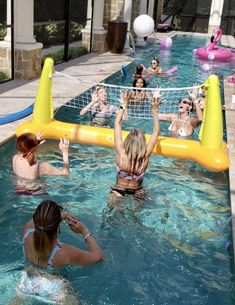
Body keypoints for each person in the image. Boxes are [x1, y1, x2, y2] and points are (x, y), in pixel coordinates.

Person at [12, 200, 104, 305]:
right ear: (57, 226)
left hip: (27, 280)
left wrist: (63, 216)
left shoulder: (26, 230)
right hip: (54, 288)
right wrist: (84, 231)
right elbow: (99, 256)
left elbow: (41, 221)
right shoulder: (63, 252)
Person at [109, 91, 160, 202]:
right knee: (136, 218)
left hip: (119, 189)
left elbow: (117, 124)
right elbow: (156, 131)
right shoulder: (145, 156)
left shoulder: (121, 152)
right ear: (142, 143)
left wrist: (124, 103)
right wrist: (154, 110)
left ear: (127, 141)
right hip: (137, 191)